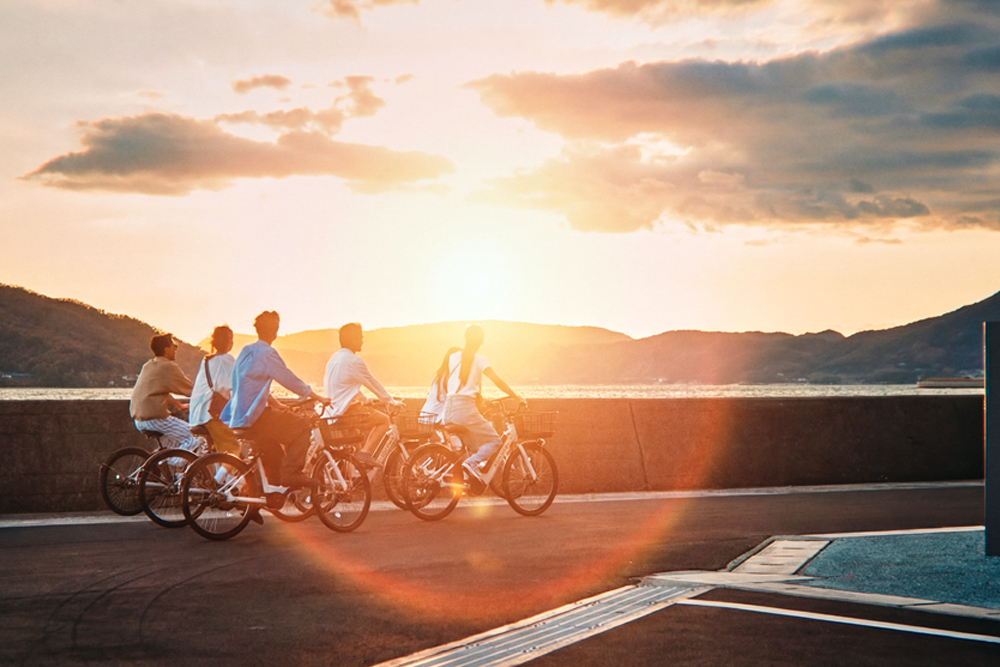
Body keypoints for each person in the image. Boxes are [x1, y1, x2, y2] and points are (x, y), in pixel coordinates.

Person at [227, 311, 324, 489]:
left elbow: (250, 387)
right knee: (302, 425)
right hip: (255, 417)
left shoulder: (246, 351)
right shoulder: (268, 354)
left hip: (238, 416)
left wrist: (276, 405)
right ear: (276, 331)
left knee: (273, 453)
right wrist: (316, 396)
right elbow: (288, 379)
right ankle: (292, 473)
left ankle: (259, 499)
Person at [442, 324, 520, 487]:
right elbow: (497, 380)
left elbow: (458, 382)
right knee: (495, 441)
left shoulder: (453, 357)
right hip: (464, 409)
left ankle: (470, 475)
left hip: (448, 409)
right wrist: (515, 396)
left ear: (465, 338)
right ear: (481, 341)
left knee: (476, 445)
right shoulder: (479, 360)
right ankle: (470, 465)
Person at [323, 322, 402, 467]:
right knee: (384, 420)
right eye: (360, 337)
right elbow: (373, 384)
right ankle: (366, 453)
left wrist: (364, 400)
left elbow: (346, 386)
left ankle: (356, 476)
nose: (362, 341)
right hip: (346, 412)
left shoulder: (334, 358)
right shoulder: (354, 361)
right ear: (353, 340)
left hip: (331, 411)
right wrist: (391, 401)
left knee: (355, 447)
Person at [130, 333, 205, 451]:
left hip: (139, 420)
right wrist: (211, 397)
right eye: (173, 345)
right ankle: (171, 463)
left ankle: (160, 462)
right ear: (166, 349)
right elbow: (193, 390)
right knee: (195, 437)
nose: (176, 348)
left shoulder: (149, 365)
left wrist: (178, 405)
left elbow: (157, 391)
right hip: (155, 420)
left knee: (170, 447)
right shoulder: (168, 367)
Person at [188, 325, 239, 455]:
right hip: (211, 414)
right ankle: (221, 476)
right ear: (226, 342)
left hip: (197, 414)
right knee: (233, 450)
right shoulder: (227, 360)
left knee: (219, 452)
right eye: (230, 339)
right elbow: (235, 387)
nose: (232, 343)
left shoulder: (207, 360)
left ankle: (219, 472)